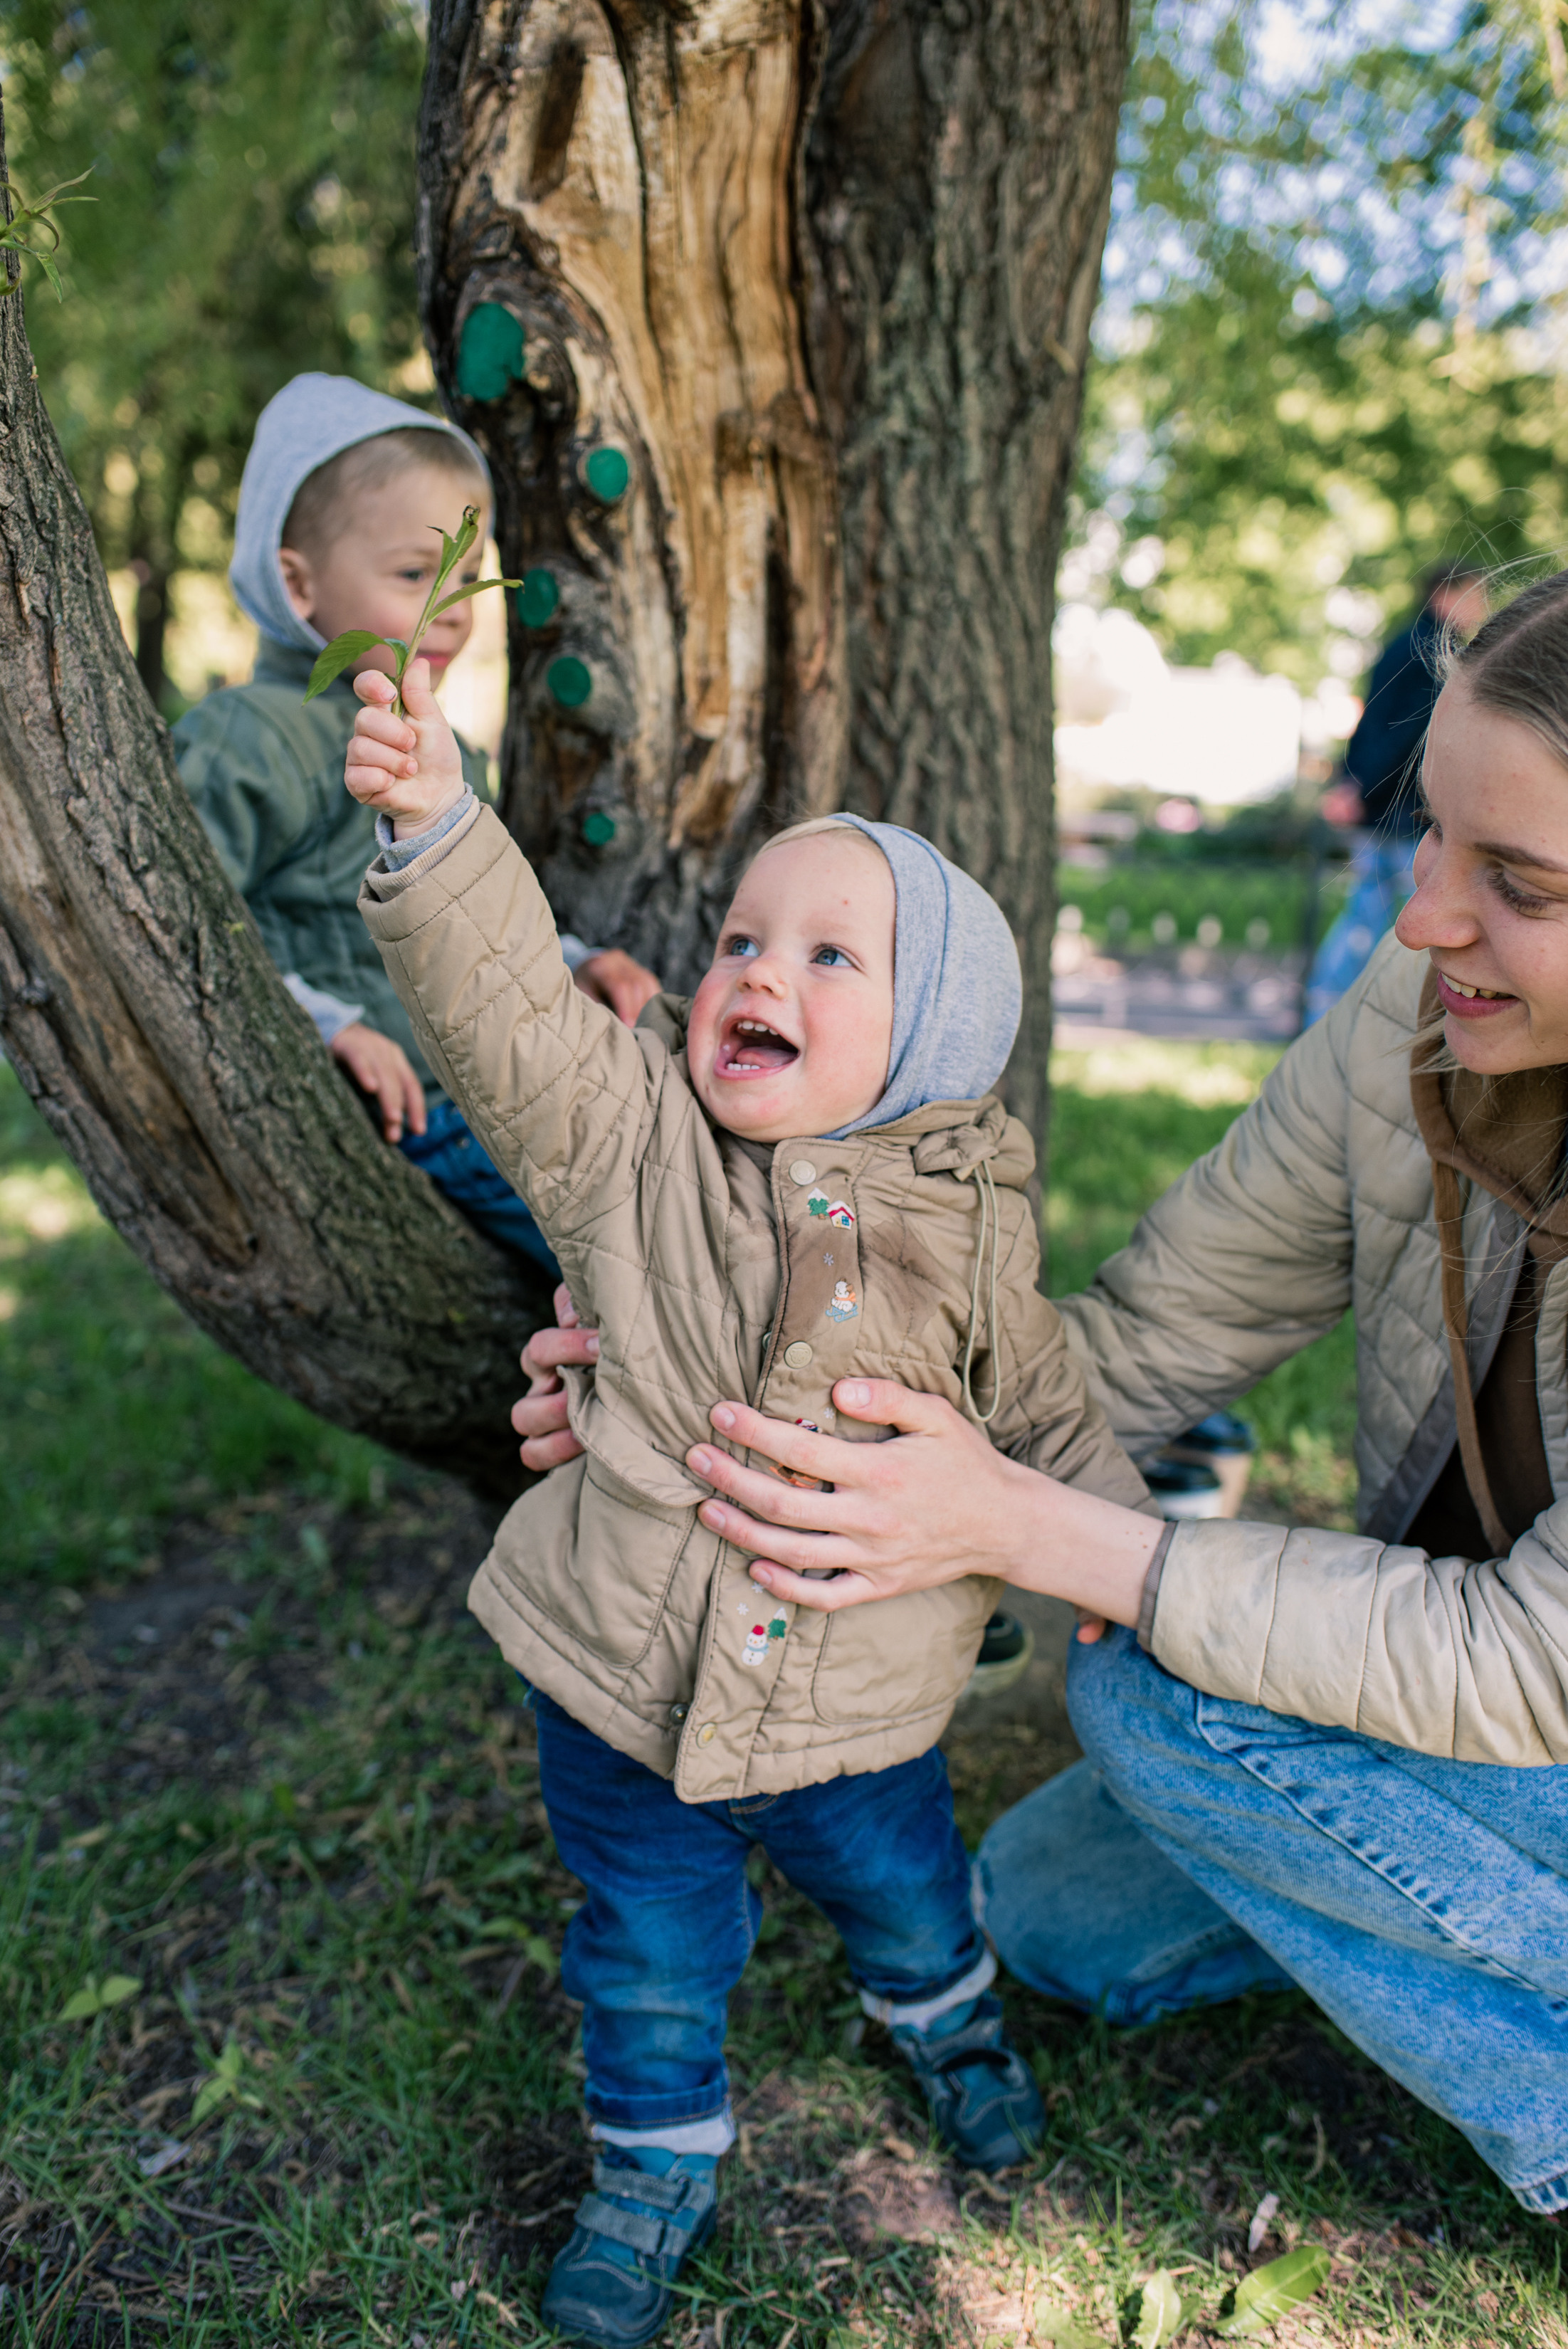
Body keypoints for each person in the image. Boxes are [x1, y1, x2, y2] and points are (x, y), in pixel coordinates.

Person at [517, 567, 1568, 2222]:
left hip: (1538, 1686)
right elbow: (1158, 1321)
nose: (1423, 912)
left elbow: (1532, 1656)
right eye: (1426, 831)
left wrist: (1055, 1536)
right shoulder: (1414, 1010)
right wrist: (718, 1372)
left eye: (1514, 880)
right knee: (1044, 1908)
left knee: (1166, 1691)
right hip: (1481, 1678)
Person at [343, 661, 1159, 2344]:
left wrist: (1118, 1561)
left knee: (907, 1890)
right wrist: (433, 824)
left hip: (860, 1706)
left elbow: (1046, 1411)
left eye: (823, 954)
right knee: (643, 1945)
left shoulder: (967, 1227)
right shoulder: (631, 1134)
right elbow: (511, 1014)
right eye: (740, 939)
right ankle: (650, 2163)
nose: (755, 970)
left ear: (922, 1039)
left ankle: (947, 2021)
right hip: (622, 1689)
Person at [174, 373, 657, 1274]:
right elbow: (180, 917)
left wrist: (576, 961)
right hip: (420, 1107)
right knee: (631, 1245)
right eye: (413, 575)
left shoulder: (437, 745)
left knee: (682, 1161)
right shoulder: (254, 735)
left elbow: (472, 912)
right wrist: (322, 1026)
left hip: (501, 1085)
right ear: (299, 583)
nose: (453, 609)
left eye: (468, 578)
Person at [1303, 559, 1487, 1024]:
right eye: (1474, 592)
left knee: (1369, 919)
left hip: (1382, 809)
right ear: (1447, 594)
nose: (1481, 604)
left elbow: (1370, 722)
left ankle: (1331, 1016)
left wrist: (1352, 785)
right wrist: (1362, 790)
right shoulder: (1433, 650)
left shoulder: (1402, 641)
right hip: (1400, 816)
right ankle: (1345, 1020)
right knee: (1386, 923)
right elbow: (1406, 734)